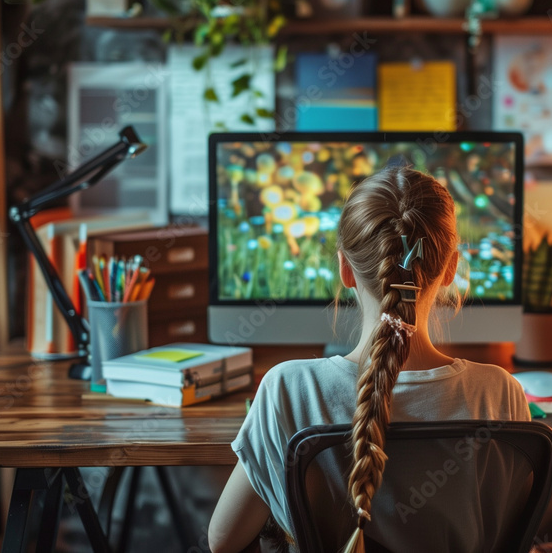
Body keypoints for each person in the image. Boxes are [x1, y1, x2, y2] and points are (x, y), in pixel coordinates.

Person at [208, 166, 531, 553]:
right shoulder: (499, 392)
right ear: (449, 270)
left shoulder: (288, 389)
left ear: (345, 269)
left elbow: (223, 541)